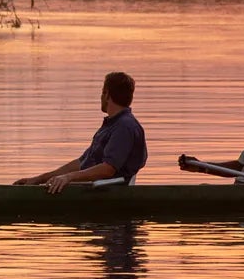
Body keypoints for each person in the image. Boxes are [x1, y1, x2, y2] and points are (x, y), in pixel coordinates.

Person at [14, 71, 148, 194]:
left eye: (102, 92)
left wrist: (69, 177)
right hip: (94, 187)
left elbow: (108, 169)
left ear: (107, 95)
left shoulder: (124, 127)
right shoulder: (111, 125)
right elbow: (81, 163)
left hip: (106, 190)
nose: (101, 97)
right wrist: (38, 179)